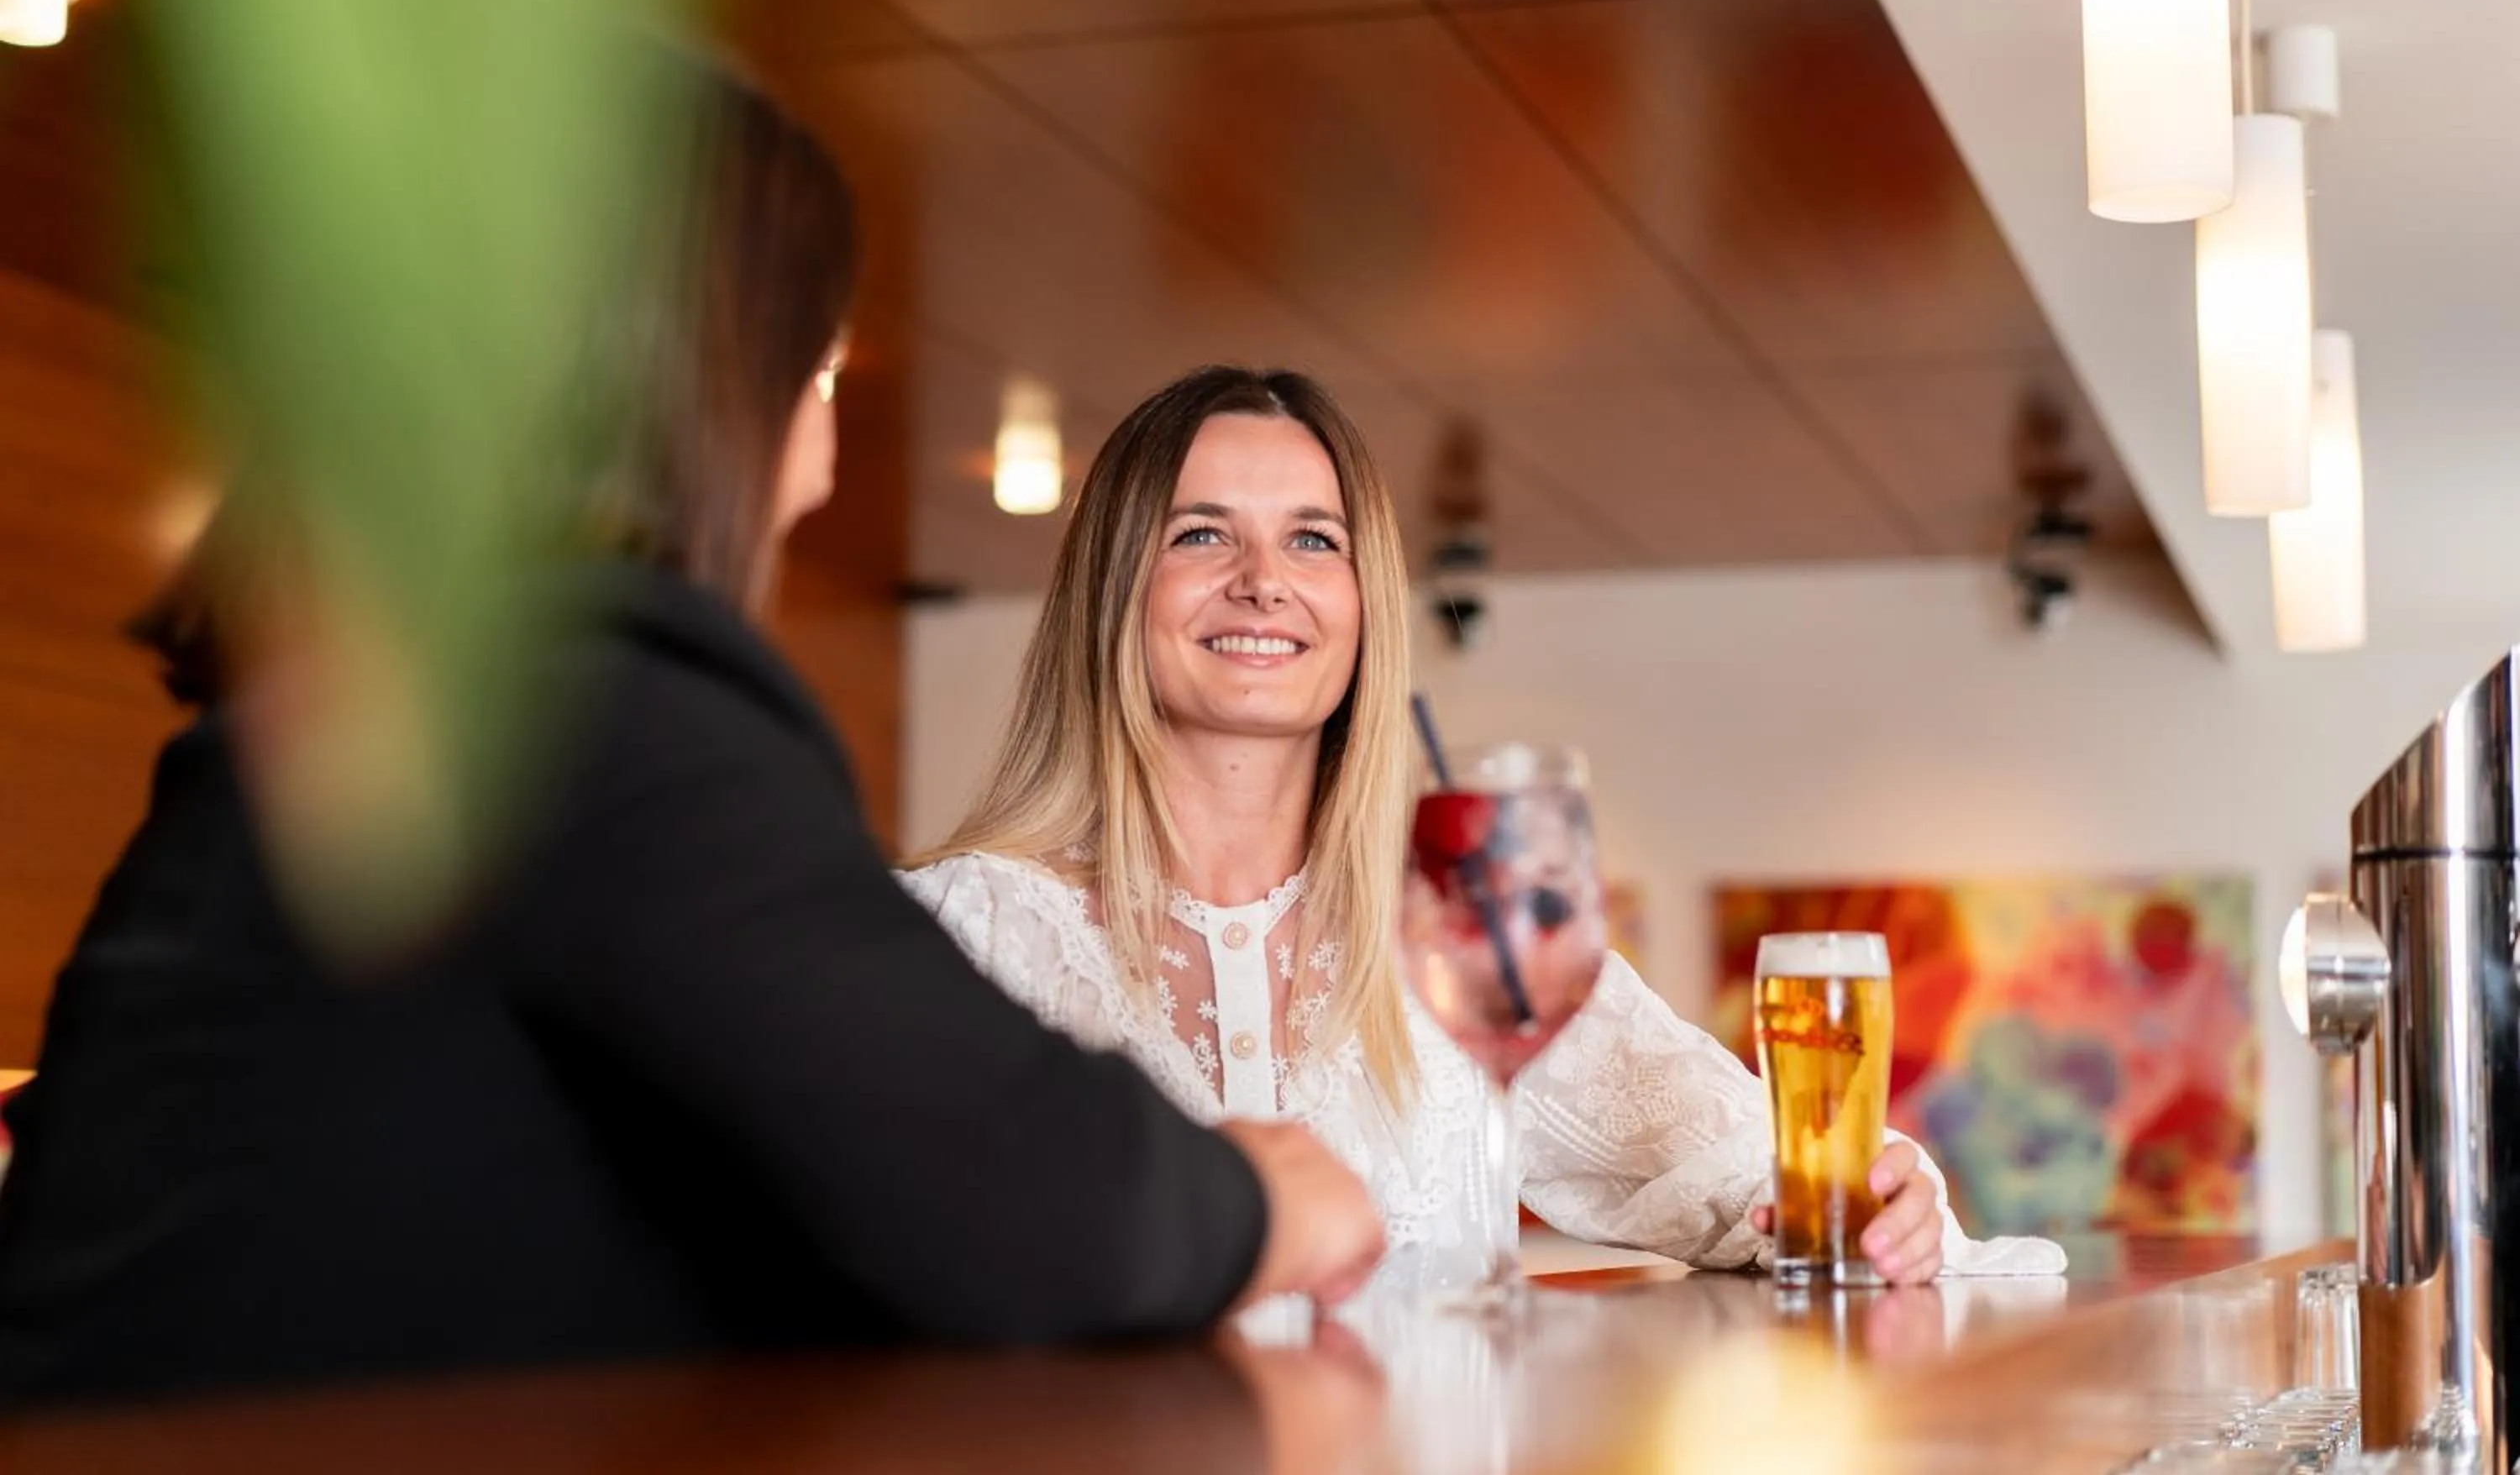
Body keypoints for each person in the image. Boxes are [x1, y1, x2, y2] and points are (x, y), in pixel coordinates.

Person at [0, 74, 1380, 1408]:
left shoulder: (409, 693)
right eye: (821, 359)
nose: (830, 433)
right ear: (717, 383)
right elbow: (1010, 1180)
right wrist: (1264, 1195)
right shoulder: (583, 714)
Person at [902, 366, 2003, 1294]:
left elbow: (1735, 1173)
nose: (1263, 584)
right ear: (1113, 589)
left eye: (1313, 542)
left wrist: (1880, 1199)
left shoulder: (1472, 923)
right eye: (1201, 534)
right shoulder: (963, 932)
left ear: (1365, 600)